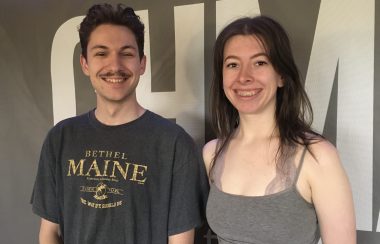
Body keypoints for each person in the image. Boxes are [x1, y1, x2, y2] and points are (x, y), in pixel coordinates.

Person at [30, 3, 208, 244]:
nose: (114, 66)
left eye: (126, 53)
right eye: (101, 53)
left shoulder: (174, 144)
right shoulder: (60, 139)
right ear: (85, 63)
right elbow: (49, 233)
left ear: (141, 63)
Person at [203, 16, 356, 244]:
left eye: (260, 63)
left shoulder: (318, 156)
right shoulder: (212, 154)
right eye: (233, 64)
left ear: (282, 76)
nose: (244, 77)